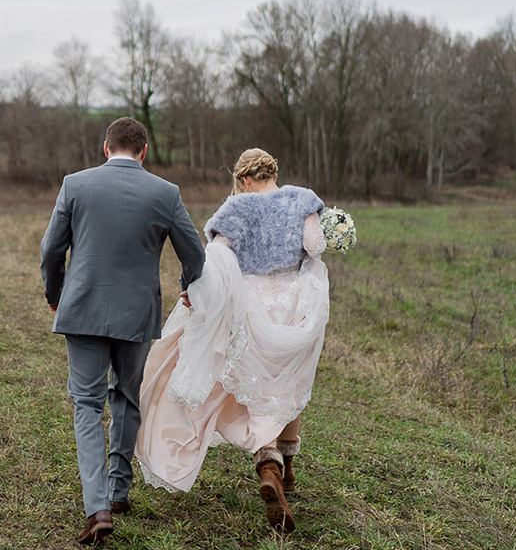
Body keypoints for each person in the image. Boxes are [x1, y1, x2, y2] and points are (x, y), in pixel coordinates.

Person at [135, 148, 328, 533]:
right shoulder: (302, 199)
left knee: (254, 387)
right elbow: (316, 246)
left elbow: (213, 259)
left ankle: (268, 460)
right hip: (294, 305)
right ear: (273, 172)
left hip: (251, 306)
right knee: (286, 384)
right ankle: (284, 472)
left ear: (243, 179)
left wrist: (194, 292)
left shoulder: (235, 210)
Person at [40, 116, 205, 545]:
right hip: (137, 316)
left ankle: (96, 507)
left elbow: (51, 249)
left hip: (83, 310)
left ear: (105, 148)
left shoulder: (74, 184)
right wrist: (188, 289)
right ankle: (116, 492)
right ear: (144, 151)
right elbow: (195, 254)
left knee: (87, 405)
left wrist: (55, 294)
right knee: (127, 398)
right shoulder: (166, 193)